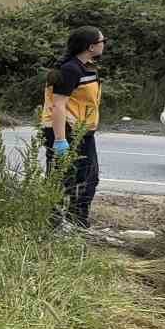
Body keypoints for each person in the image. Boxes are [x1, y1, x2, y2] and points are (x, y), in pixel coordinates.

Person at [41, 26, 105, 229]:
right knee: (63, 179)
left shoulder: (87, 67)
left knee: (88, 178)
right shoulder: (70, 69)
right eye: (103, 41)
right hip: (67, 131)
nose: (105, 45)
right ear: (91, 46)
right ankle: (59, 225)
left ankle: (75, 222)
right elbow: (58, 105)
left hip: (83, 131)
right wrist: (60, 140)